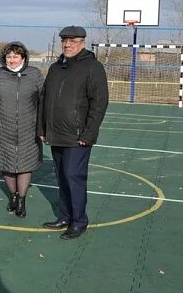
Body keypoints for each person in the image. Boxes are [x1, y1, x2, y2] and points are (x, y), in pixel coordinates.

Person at [39, 25, 109, 240]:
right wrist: (42, 129)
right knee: (62, 177)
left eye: (72, 41)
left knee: (73, 177)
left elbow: (99, 103)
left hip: (77, 136)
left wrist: (88, 134)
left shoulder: (93, 67)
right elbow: (44, 100)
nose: (67, 44)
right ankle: (65, 216)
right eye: (64, 41)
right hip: (56, 134)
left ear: (82, 43)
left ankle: (79, 221)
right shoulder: (55, 68)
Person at [0, 42, 44, 218]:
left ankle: (21, 200)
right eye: (9, 56)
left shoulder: (35, 74)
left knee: (24, 165)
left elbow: (44, 102)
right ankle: (12, 196)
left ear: (23, 57)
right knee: (6, 165)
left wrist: (44, 128)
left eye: (15, 56)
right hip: (2, 129)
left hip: (29, 130)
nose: (12, 60)